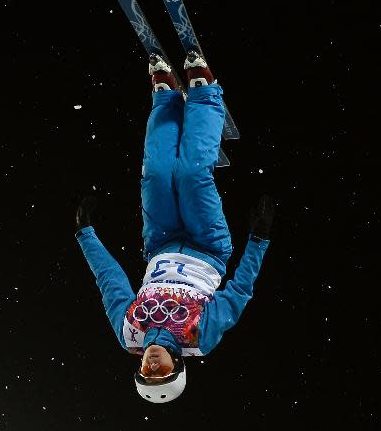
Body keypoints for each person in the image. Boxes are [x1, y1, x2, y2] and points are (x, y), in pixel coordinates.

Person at [74, 50, 275, 403]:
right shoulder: (199, 336)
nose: (152, 366)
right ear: (177, 367)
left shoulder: (131, 332)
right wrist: (258, 239)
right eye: (161, 373)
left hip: (160, 243)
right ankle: (205, 95)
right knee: (191, 175)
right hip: (208, 247)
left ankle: (165, 98)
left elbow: (111, 283)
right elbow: (239, 292)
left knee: (155, 176)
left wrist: (85, 233)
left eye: (145, 374)